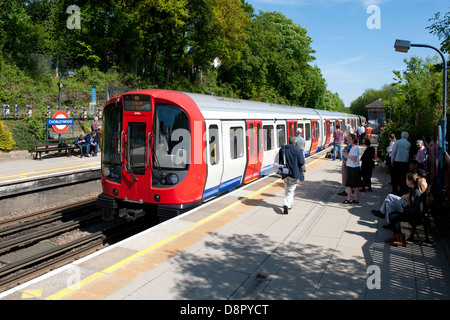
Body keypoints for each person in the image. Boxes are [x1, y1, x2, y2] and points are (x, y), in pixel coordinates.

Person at [384, 172, 427, 247]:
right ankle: (396, 237)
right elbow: (412, 204)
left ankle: (400, 240)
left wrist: (405, 210)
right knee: (391, 214)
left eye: (407, 180)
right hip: (410, 212)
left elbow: (418, 209)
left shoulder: (417, 192)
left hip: (416, 216)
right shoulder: (413, 190)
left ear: (410, 181)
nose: (406, 181)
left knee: (393, 217)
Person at [278, 136, 305, 214]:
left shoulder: (283, 149)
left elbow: (279, 160)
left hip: (285, 172)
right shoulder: (297, 150)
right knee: (291, 189)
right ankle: (286, 204)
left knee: (287, 188)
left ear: (288, 142)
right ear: (295, 143)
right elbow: (301, 162)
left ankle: (289, 204)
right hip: (294, 172)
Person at [342, 134, 362, 204]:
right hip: (353, 167)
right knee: (355, 185)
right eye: (348, 139)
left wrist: (346, 155)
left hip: (353, 168)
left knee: (350, 184)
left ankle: (349, 198)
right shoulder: (354, 147)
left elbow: (354, 159)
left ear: (354, 140)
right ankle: (355, 199)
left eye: (350, 139)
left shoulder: (355, 148)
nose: (349, 140)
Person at [391, 131, 411, 195]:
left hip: (397, 160)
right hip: (405, 161)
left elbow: (393, 152)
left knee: (395, 176)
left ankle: (395, 190)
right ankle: (402, 190)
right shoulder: (408, 144)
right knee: (402, 177)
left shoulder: (397, 142)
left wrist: (392, 160)